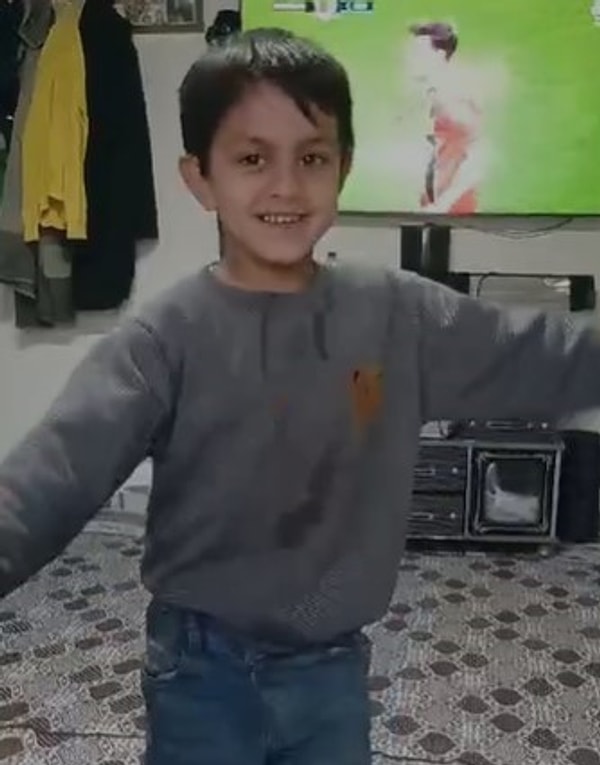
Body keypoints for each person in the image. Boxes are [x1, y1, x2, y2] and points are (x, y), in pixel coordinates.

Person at [1, 26, 600, 765]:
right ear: (200, 177)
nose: (285, 186)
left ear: (343, 167)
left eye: (312, 158)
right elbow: (51, 476)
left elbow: (541, 355)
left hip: (331, 666)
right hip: (199, 668)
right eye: (252, 159)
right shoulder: (165, 337)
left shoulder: (400, 314)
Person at [407, 22, 482, 214]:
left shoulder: (451, 97)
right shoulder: (436, 93)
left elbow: (477, 159)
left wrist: (443, 205)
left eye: (418, 54)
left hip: (452, 212)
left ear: (439, 56)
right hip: (435, 208)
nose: (411, 59)